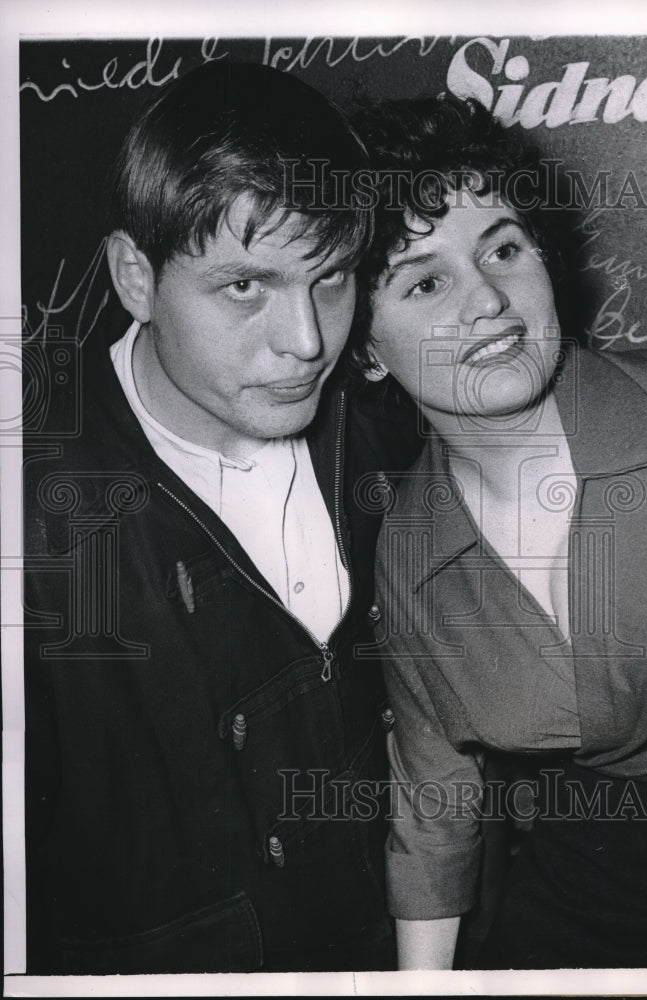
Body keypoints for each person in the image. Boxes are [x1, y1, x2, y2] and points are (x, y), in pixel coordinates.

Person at [23, 62, 414, 975]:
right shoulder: (36, 515)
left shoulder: (384, 430)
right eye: (246, 287)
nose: (307, 341)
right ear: (134, 275)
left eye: (331, 279)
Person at [351, 96, 647, 970]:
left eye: (502, 247)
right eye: (424, 281)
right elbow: (435, 802)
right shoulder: (410, 547)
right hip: (586, 901)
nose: (489, 299)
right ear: (367, 350)